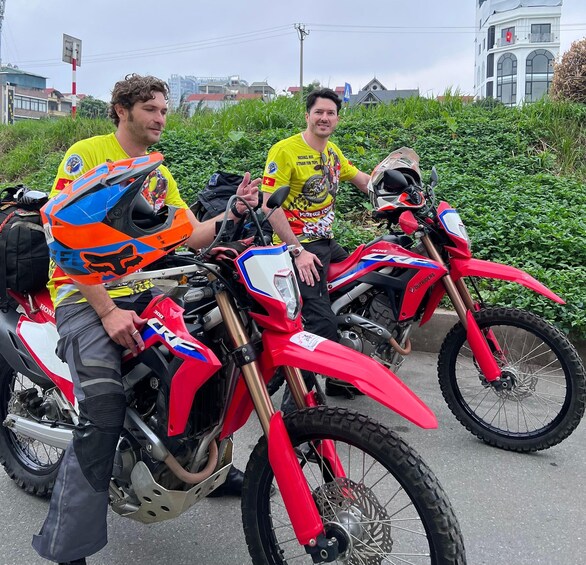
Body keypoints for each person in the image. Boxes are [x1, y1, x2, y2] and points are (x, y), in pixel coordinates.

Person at [32, 74, 260, 565]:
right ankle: (67, 545)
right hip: (82, 297)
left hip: (144, 290)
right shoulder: (88, 155)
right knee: (103, 408)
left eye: (164, 110)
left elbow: (190, 234)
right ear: (122, 110)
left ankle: (202, 466)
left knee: (214, 356)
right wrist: (107, 310)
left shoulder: (157, 171)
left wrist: (236, 212)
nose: (161, 118)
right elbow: (62, 236)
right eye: (151, 109)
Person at [261, 88, 370, 409]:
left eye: (330, 113)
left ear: (337, 119)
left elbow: (362, 180)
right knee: (321, 324)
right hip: (296, 247)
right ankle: (294, 410)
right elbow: (269, 205)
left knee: (363, 284)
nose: (324, 118)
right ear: (307, 115)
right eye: (319, 112)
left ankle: (339, 377)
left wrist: (401, 186)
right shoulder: (285, 151)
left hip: (325, 243)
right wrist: (297, 251)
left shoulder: (332, 152)